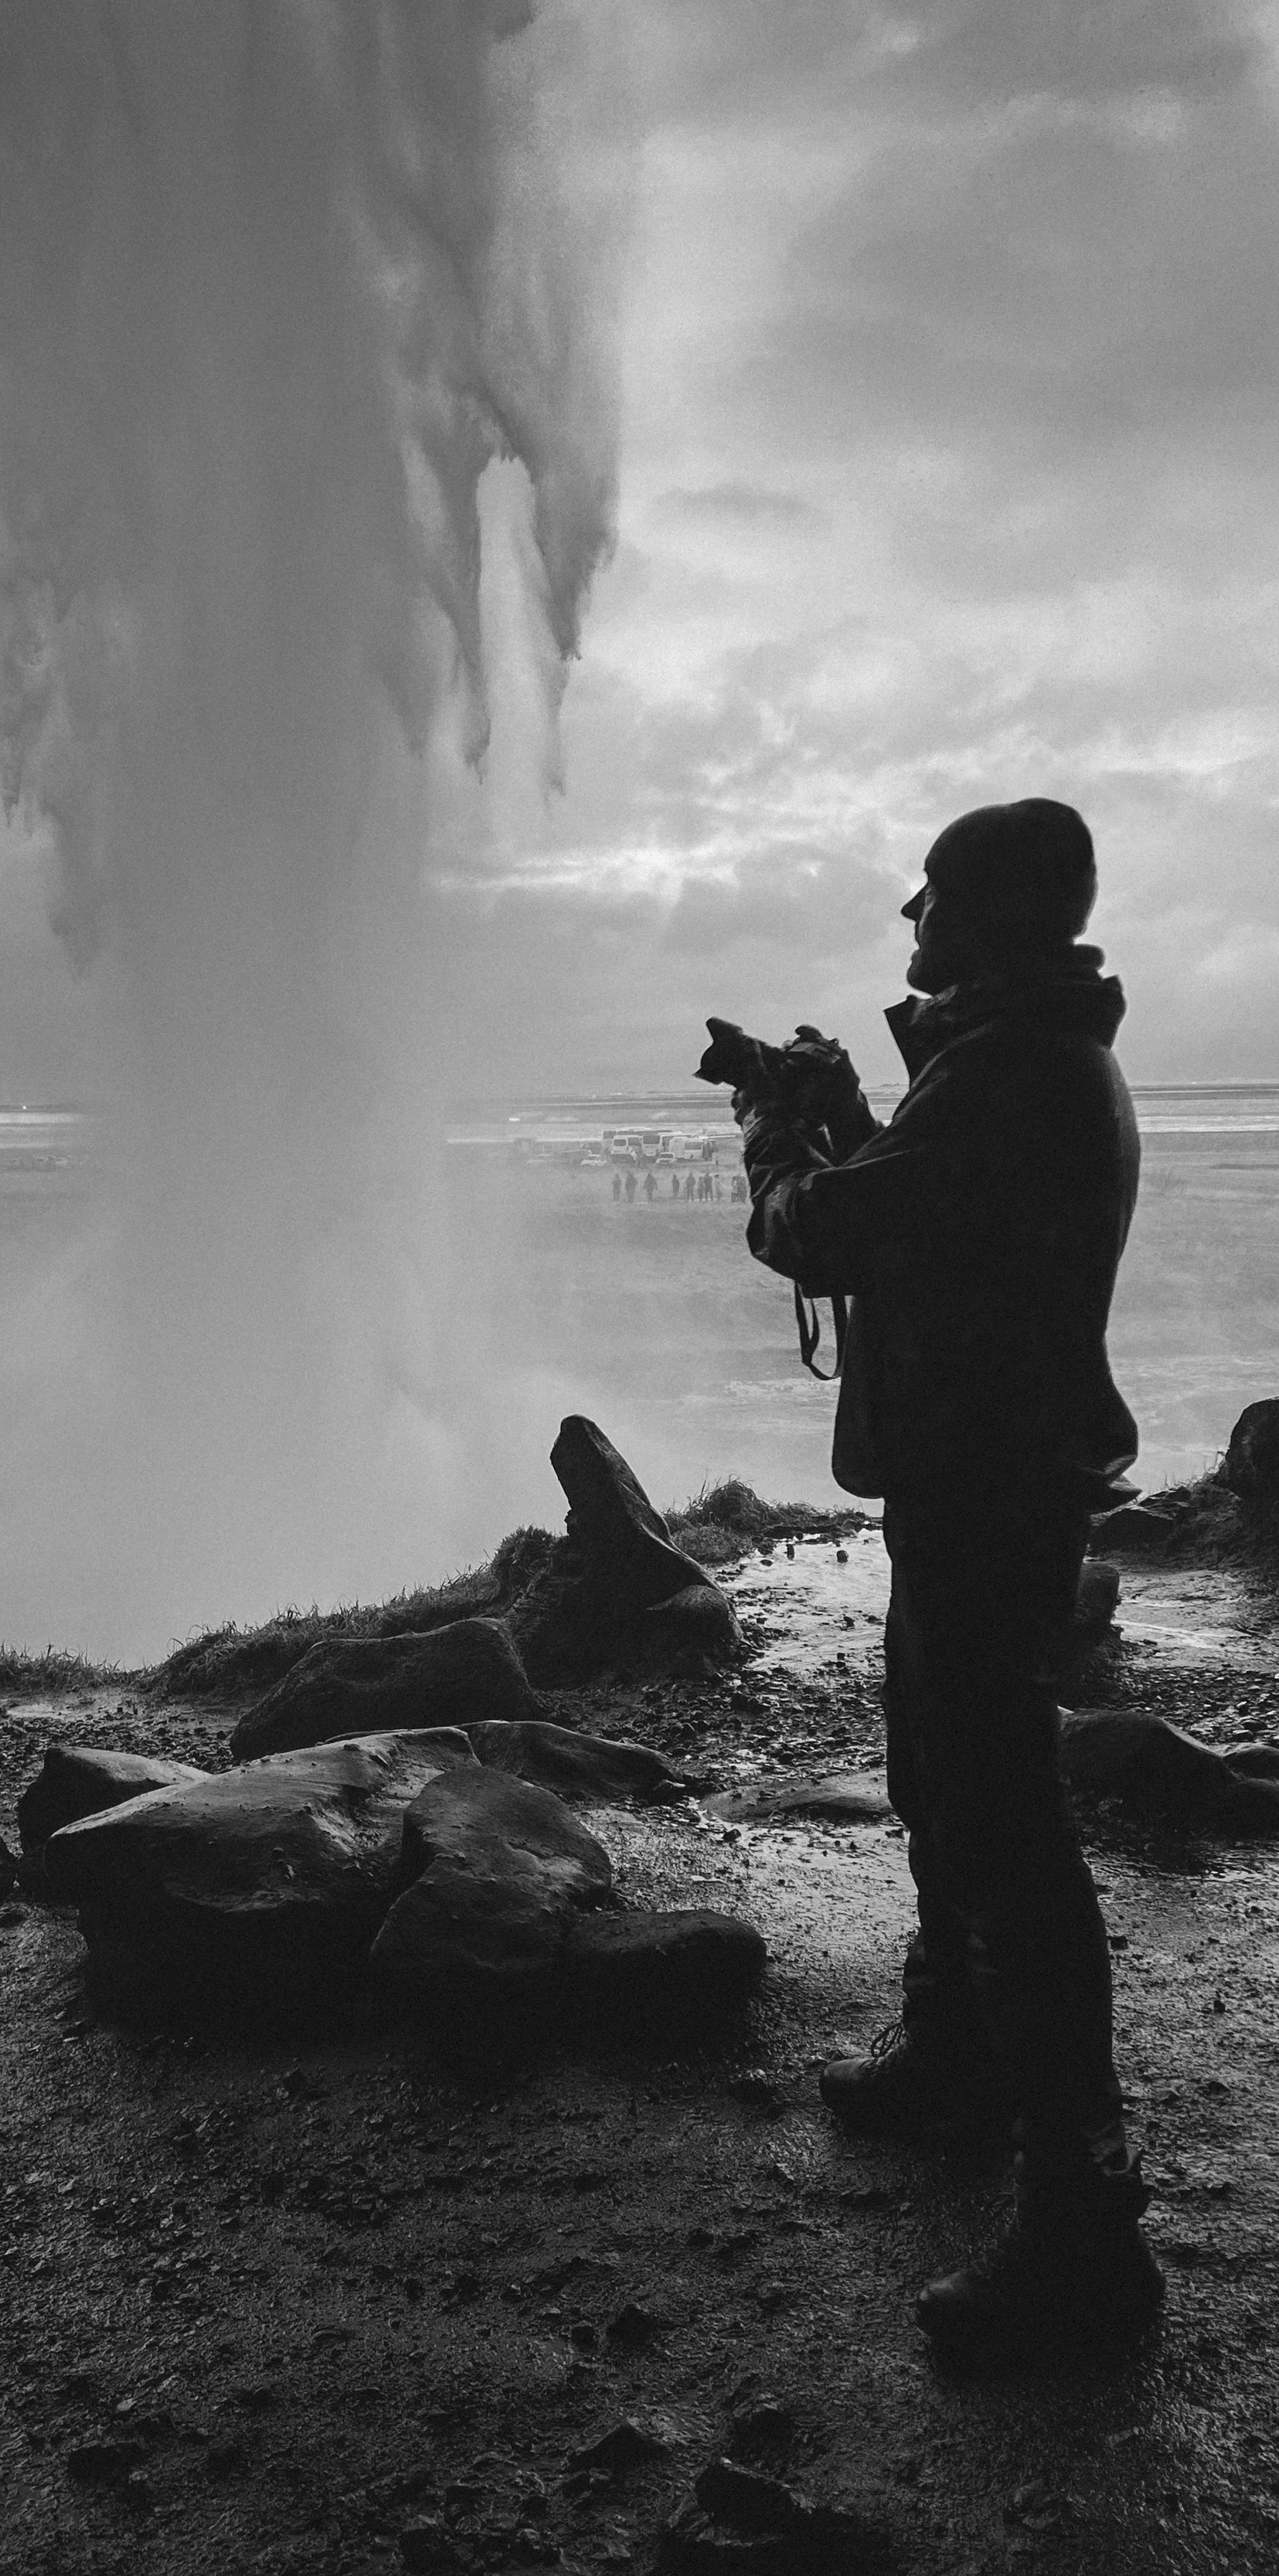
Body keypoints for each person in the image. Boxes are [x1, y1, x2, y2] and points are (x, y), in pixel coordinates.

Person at [723, 797, 1158, 2365]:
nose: (907, 922)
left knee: (1003, 1820)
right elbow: (936, 1203)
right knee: (941, 1776)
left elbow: (831, 1230)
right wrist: (848, 1096)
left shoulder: (1011, 1073)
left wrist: (778, 1137)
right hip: (979, 1479)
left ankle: (1079, 2225)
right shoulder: (1027, 1059)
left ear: (979, 918)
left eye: (927, 902)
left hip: (986, 1487)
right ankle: (958, 2051)